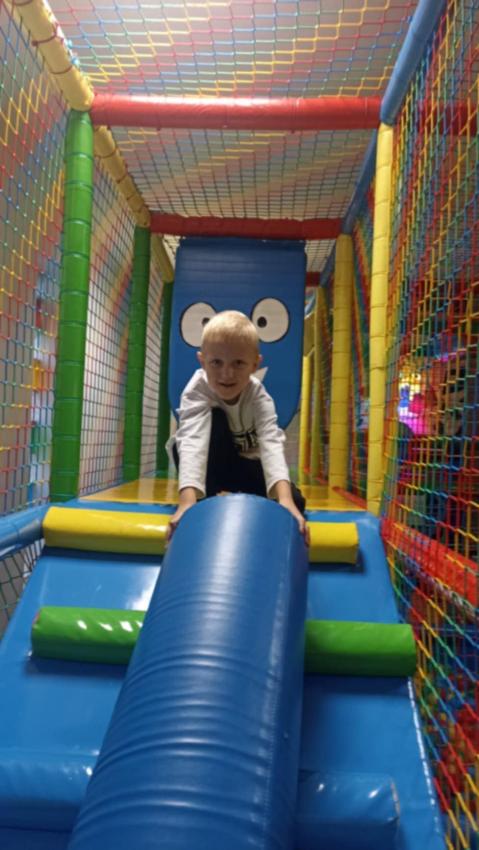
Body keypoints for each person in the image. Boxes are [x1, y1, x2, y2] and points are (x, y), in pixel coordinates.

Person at [167, 310, 309, 542]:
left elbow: (271, 444)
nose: (227, 374)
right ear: (202, 361)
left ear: (255, 365)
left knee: (296, 501)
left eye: (239, 363)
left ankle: (230, 495)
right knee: (214, 420)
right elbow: (192, 442)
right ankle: (203, 497)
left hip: (243, 464)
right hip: (210, 461)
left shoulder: (259, 397)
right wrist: (187, 502)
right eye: (216, 362)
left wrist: (285, 500)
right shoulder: (197, 391)